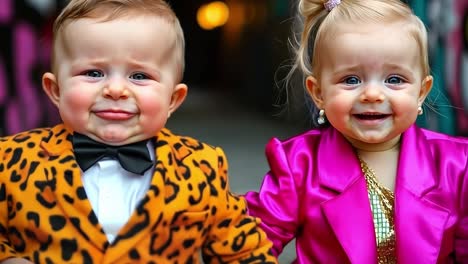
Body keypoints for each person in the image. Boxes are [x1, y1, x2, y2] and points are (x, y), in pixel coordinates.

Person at [0, 0, 276, 263]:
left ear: (172, 100)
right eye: (94, 73)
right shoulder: (11, 160)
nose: (116, 90)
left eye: (139, 76)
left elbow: (243, 251)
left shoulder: (201, 167)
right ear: (55, 90)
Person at [244, 0, 468, 263]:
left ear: (421, 91)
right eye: (351, 80)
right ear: (318, 93)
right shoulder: (299, 165)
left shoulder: (457, 164)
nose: (372, 94)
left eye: (394, 80)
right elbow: (248, 244)